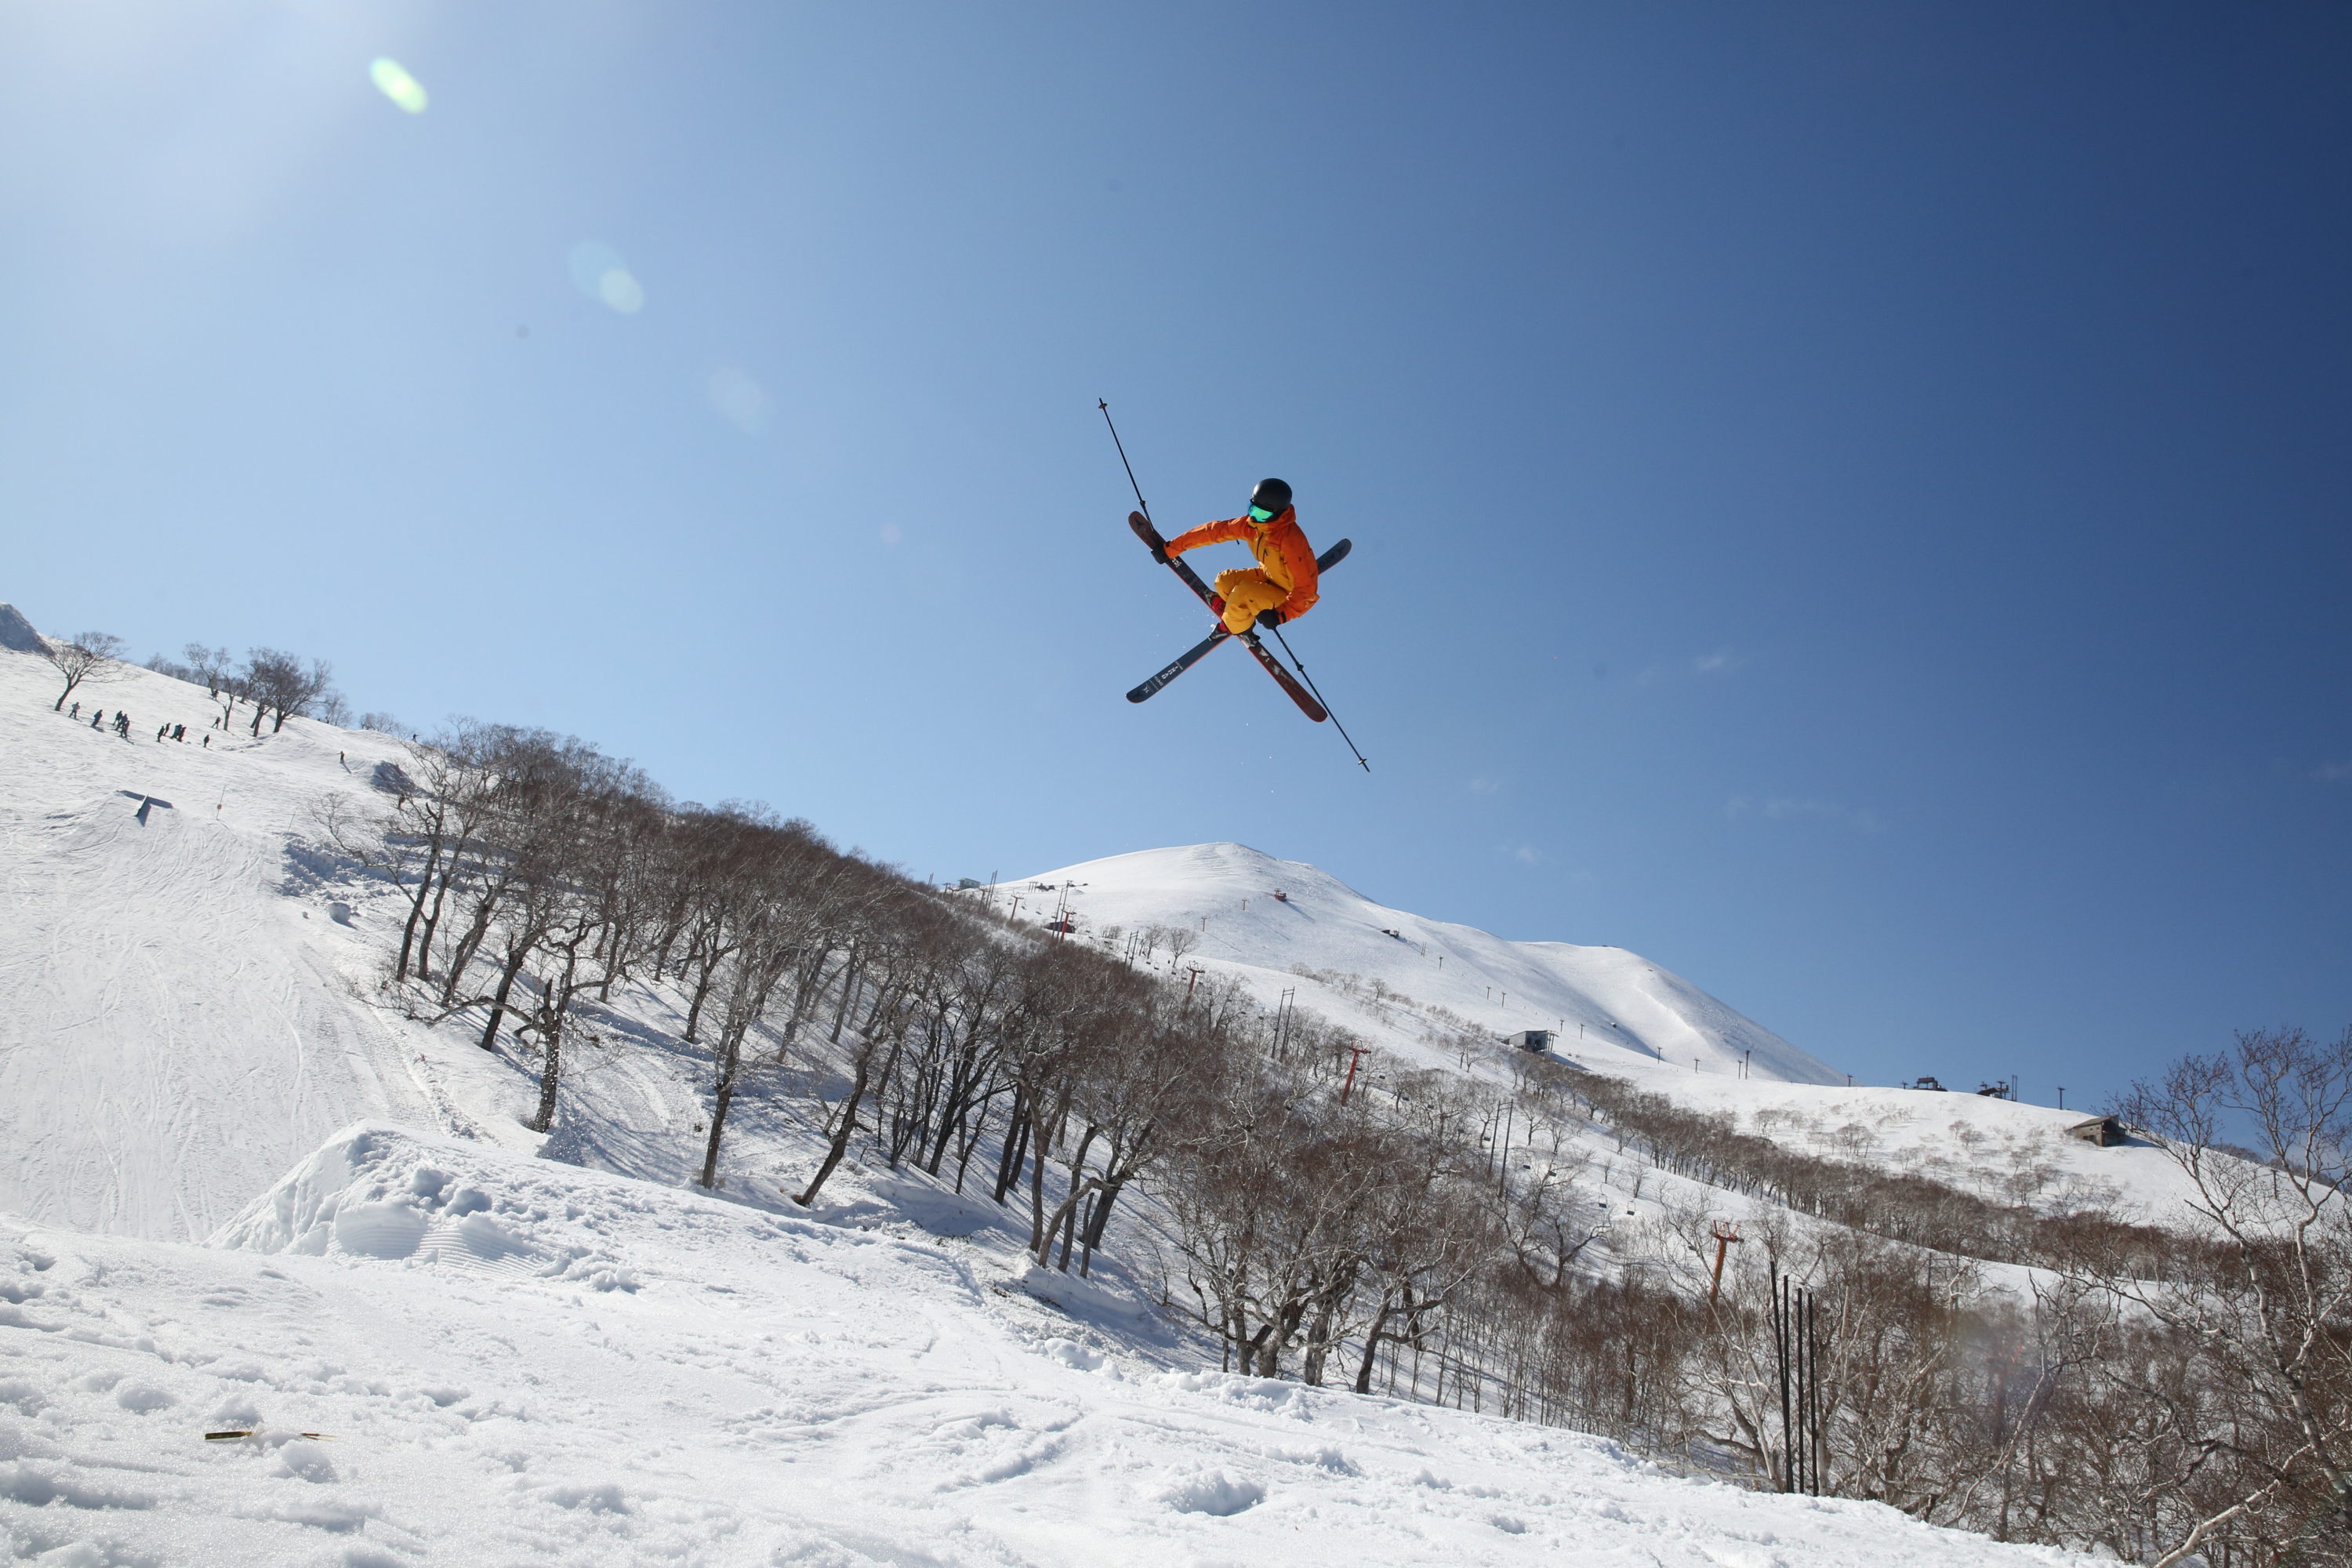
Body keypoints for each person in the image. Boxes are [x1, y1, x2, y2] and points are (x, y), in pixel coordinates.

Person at [1156, 477, 1319, 637]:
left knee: (1243, 593)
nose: (1254, 517)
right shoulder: (1253, 526)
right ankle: (1234, 613)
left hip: (1289, 597)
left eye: (1261, 514)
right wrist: (1173, 548)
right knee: (1224, 581)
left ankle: (1232, 626)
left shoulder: (1290, 541)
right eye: (1252, 509)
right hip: (1269, 578)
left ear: (1277, 514)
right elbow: (1213, 531)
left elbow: (1306, 591)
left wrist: (1281, 615)